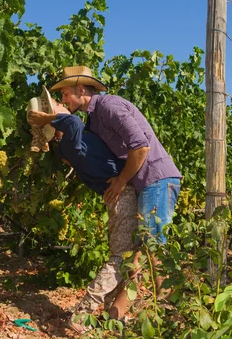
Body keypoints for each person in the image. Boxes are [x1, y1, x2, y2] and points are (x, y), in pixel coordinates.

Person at [42, 66, 182, 296]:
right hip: (144, 184)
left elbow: (141, 146)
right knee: (137, 251)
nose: (63, 100)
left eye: (65, 94)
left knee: (153, 245)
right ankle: (124, 312)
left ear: (80, 89)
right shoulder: (93, 120)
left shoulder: (109, 106)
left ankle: (170, 307)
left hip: (156, 179)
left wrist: (120, 181)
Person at [27, 90, 138, 333]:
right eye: (58, 103)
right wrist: (49, 119)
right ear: (53, 116)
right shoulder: (70, 138)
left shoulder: (69, 145)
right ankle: (83, 313)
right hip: (123, 195)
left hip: (117, 196)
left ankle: (112, 314)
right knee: (120, 258)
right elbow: (74, 121)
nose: (65, 104)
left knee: (124, 256)